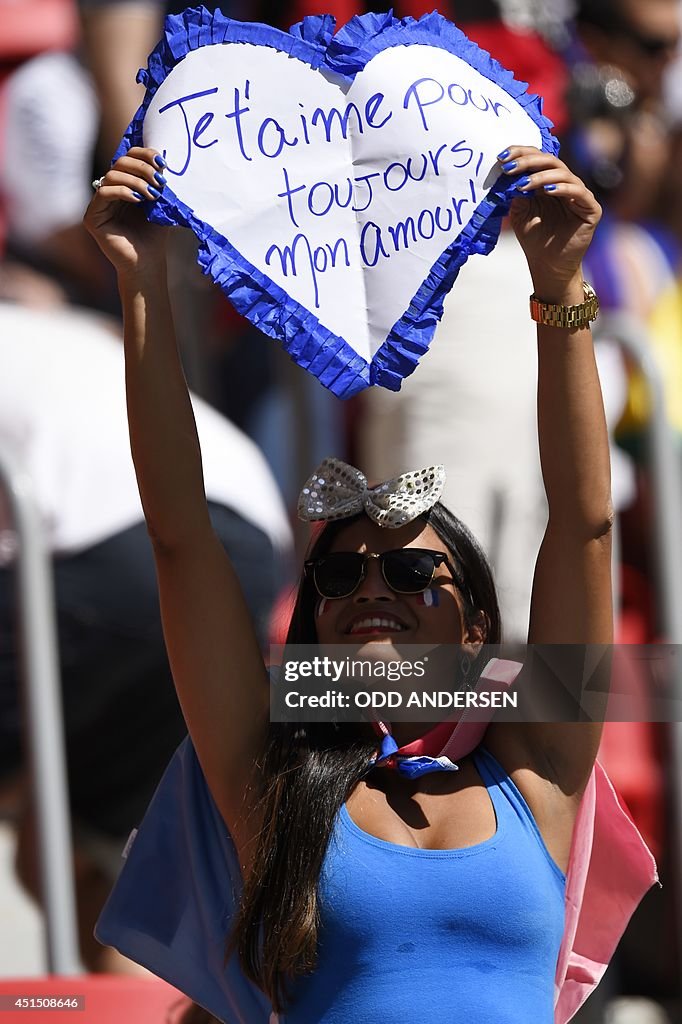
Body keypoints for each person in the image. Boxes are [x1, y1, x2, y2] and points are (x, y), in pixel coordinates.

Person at [84, 145, 656, 1021]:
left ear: (477, 629)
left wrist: (562, 289)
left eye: (412, 569)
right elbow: (181, 541)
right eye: (338, 573)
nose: (369, 586)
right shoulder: (268, 777)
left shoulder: (540, 763)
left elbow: (583, 520)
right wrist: (141, 283)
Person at [0, 300, 291, 971]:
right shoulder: (51, 330)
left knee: (83, 863)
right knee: (101, 873)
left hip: (121, 541)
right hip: (245, 538)